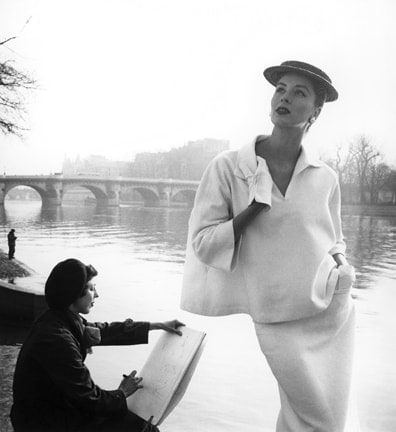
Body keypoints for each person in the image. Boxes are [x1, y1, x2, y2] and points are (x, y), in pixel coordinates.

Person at [181, 60, 357, 431]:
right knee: (317, 417)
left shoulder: (325, 178)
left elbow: (334, 237)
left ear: (316, 111)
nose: (285, 98)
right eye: (281, 89)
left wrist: (342, 266)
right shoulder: (228, 167)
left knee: (318, 418)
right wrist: (253, 210)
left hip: (328, 309)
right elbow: (202, 244)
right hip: (274, 315)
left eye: (299, 93)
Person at [11, 258, 184, 432]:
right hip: (45, 422)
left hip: (56, 409)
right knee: (142, 428)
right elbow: (90, 398)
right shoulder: (58, 339)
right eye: (92, 289)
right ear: (75, 294)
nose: (97, 295)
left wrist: (156, 325)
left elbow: (105, 331)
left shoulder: (58, 319)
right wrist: (122, 392)